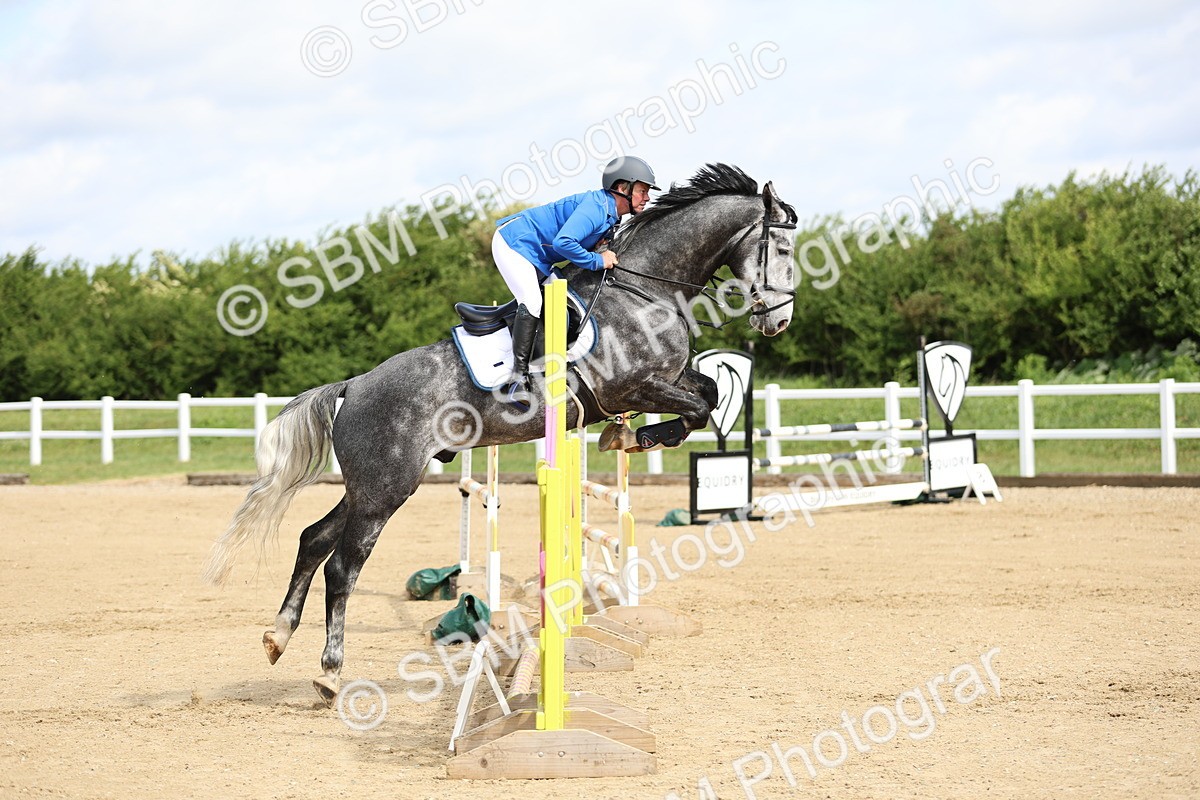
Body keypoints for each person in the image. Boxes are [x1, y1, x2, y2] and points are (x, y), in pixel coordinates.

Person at [491, 155, 658, 405]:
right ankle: (517, 380)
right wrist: (597, 261)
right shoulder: (596, 208)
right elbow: (563, 242)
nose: (647, 197)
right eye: (642, 191)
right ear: (623, 188)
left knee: (567, 306)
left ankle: (546, 364)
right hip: (514, 243)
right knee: (533, 302)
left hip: (538, 256)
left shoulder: (612, 216)